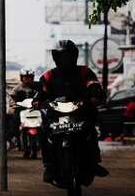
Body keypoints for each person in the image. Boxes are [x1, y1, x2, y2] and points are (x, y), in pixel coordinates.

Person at [33, 40, 109, 183]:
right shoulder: (49, 75)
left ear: (74, 56)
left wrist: (95, 95)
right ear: (56, 58)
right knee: (44, 132)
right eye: (62, 56)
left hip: (81, 113)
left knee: (91, 131)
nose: (65, 60)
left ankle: (93, 161)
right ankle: (49, 166)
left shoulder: (85, 72)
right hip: (56, 115)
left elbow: (93, 85)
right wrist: (38, 101)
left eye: (68, 56)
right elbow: (40, 92)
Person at [9, 69, 37, 148]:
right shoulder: (18, 88)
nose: (27, 79)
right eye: (25, 77)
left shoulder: (36, 87)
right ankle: (17, 139)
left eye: (29, 77)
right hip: (21, 109)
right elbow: (11, 98)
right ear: (22, 78)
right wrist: (14, 104)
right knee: (14, 121)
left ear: (32, 78)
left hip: (34, 109)